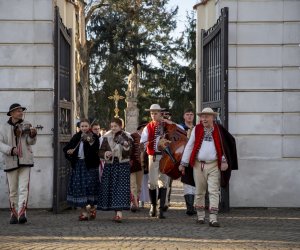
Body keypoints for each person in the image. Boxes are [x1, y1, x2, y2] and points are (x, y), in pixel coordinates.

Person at [179, 107, 238, 227]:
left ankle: (213, 218)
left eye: (207, 116)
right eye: (202, 116)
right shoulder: (197, 129)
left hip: (214, 165)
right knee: (200, 191)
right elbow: (189, 146)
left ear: (213, 117)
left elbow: (226, 145)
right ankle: (200, 216)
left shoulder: (219, 130)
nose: (204, 118)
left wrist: (224, 159)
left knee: (214, 191)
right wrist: (183, 163)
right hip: (198, 165)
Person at [0, 103, 37, 224]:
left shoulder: (26, 124)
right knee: (13, 190)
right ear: (11, 113)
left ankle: (22, 213)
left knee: (23, 188)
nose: (21, 112)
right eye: (18, 111)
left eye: (21, 110)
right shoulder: (3, 127)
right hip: (10, 160)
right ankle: (13, 214)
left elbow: (30, 142)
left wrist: (32, 135)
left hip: (25, 160)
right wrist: (10, 150)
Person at [140, 104, 177, 219]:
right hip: (154, 157)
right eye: (152, 113)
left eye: (156, 113)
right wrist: (154, 143)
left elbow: (176, 134)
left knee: (164, 182)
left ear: (161, 113)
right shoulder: (148, 127)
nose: (153, 115)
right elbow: (143, 143)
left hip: (165, 157)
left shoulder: (167, 125)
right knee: (152, 183)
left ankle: (161, 209)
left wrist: (171, 125)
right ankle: (153, 206)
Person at [97, 118, 133, 222]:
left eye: (115, 126)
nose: (113, 128)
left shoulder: (127, 136)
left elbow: (130, 152)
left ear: (121, 126)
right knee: (112, 189)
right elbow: (100, 152)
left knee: (120, 189)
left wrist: (126, 146)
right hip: (110, 166)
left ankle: (119, 214)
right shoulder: (106, 136)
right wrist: (106, 154)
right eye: (112, 126)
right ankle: (116, 212)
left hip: (122, 165)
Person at [63, 118, 100, 221]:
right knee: (79, 188)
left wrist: (89, 141)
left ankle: (92, 208)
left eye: (86, 126)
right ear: (79, 127)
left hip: (90, 166)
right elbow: (66, 149)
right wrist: (70, 152)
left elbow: (96, 149)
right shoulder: (76, 136)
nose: (84, 128)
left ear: (89, 127)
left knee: (90, 187)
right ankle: (83, 212)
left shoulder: (94, 136)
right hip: (78, 165)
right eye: (82, 126)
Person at [179, 108, 197, 216]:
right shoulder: (180, 129)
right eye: (187, 114)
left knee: (195, 182)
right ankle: (189, 207)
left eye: (191, 114)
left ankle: (195, 205)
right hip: (183, 158)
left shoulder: (197, 129)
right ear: (184, 116)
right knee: (186, 182)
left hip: (195, 158)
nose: (189, 116)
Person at [129, 123, 147, 212]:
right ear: (141, 128)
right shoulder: (133, 136)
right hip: (132, 164)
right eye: (144, 128)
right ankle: (134, 203)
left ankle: (137, 201)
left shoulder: (148, 137)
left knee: (139, 185)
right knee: (133, 185)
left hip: (142, 165)